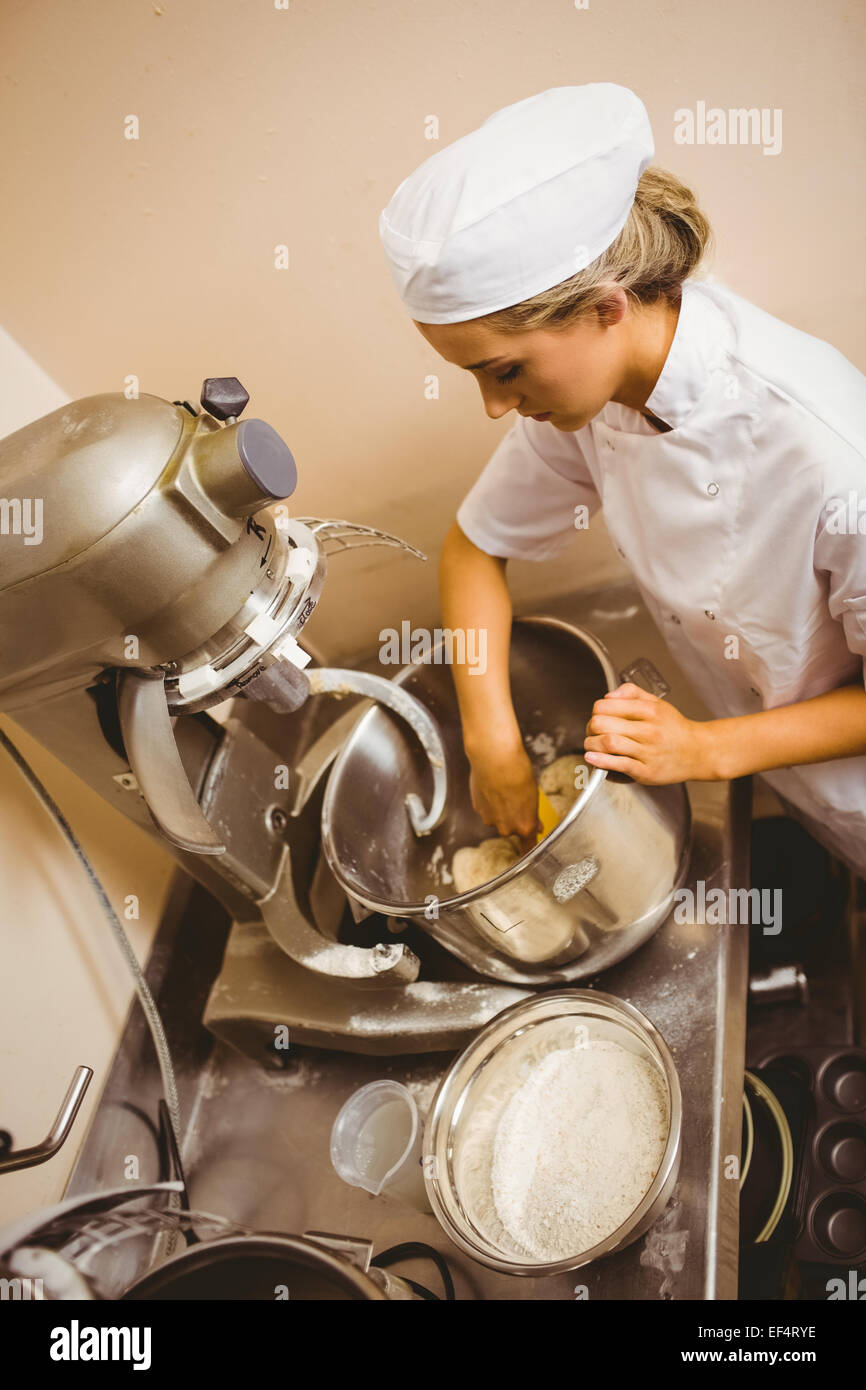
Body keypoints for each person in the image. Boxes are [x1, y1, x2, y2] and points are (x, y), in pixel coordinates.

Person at [378, 83, 866, 879]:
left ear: (606, 309)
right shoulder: (607, 394)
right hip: (796, 777)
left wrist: (705, 749)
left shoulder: (832, 458)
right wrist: (490, 737)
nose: (496, 406)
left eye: (505, 371)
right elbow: (474, 548)